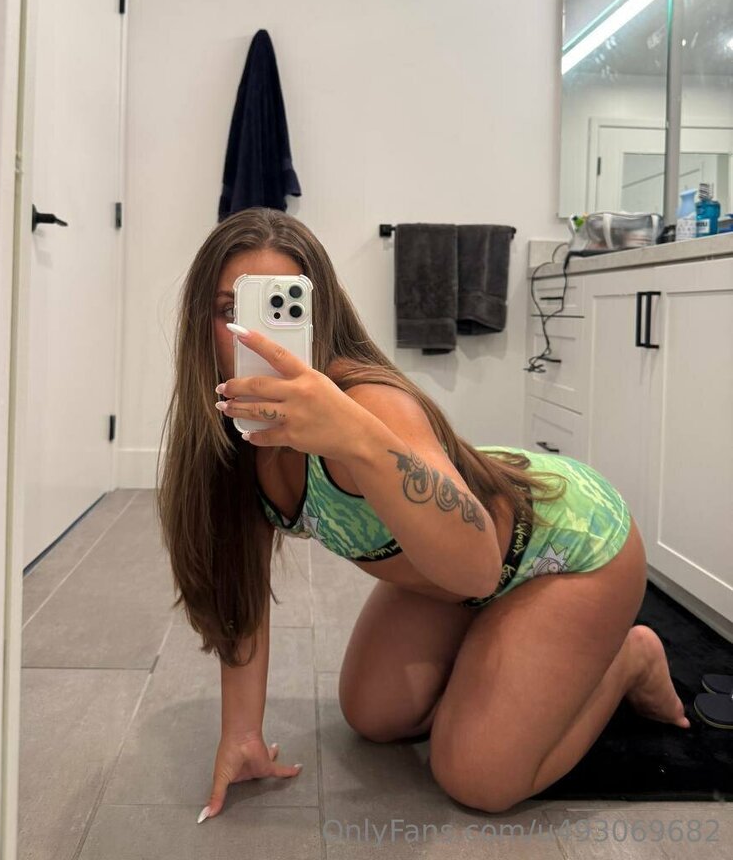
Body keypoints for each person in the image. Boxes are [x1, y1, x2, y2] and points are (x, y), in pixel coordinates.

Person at [155, 207, 690, 824]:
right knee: (373, 714)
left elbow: (478, 569)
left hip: (568, 545)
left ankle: (630, 659)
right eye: (230, 310)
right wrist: (242, 733)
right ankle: (499, 647)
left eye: (283, 306)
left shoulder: (369, 406)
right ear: (200, 327)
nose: (255, 336)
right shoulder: (235, 443)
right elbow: (241, 593)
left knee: (477, 777)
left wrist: (357, 438)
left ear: (320, 314)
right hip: (450, 572)